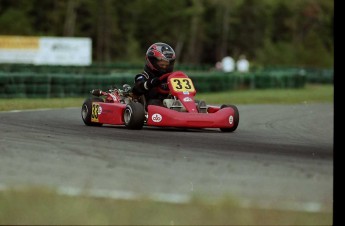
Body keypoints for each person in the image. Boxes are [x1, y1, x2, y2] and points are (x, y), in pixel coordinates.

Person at [132, 42, 176, 107]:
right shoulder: (143, 76)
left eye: (167, 65)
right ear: (152, 61)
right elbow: (136, 89)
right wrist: (150, 83)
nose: (164, 67)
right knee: (155, 103)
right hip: (148, 107)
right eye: (162, 64)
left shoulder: (170, 77)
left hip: (169, 104)